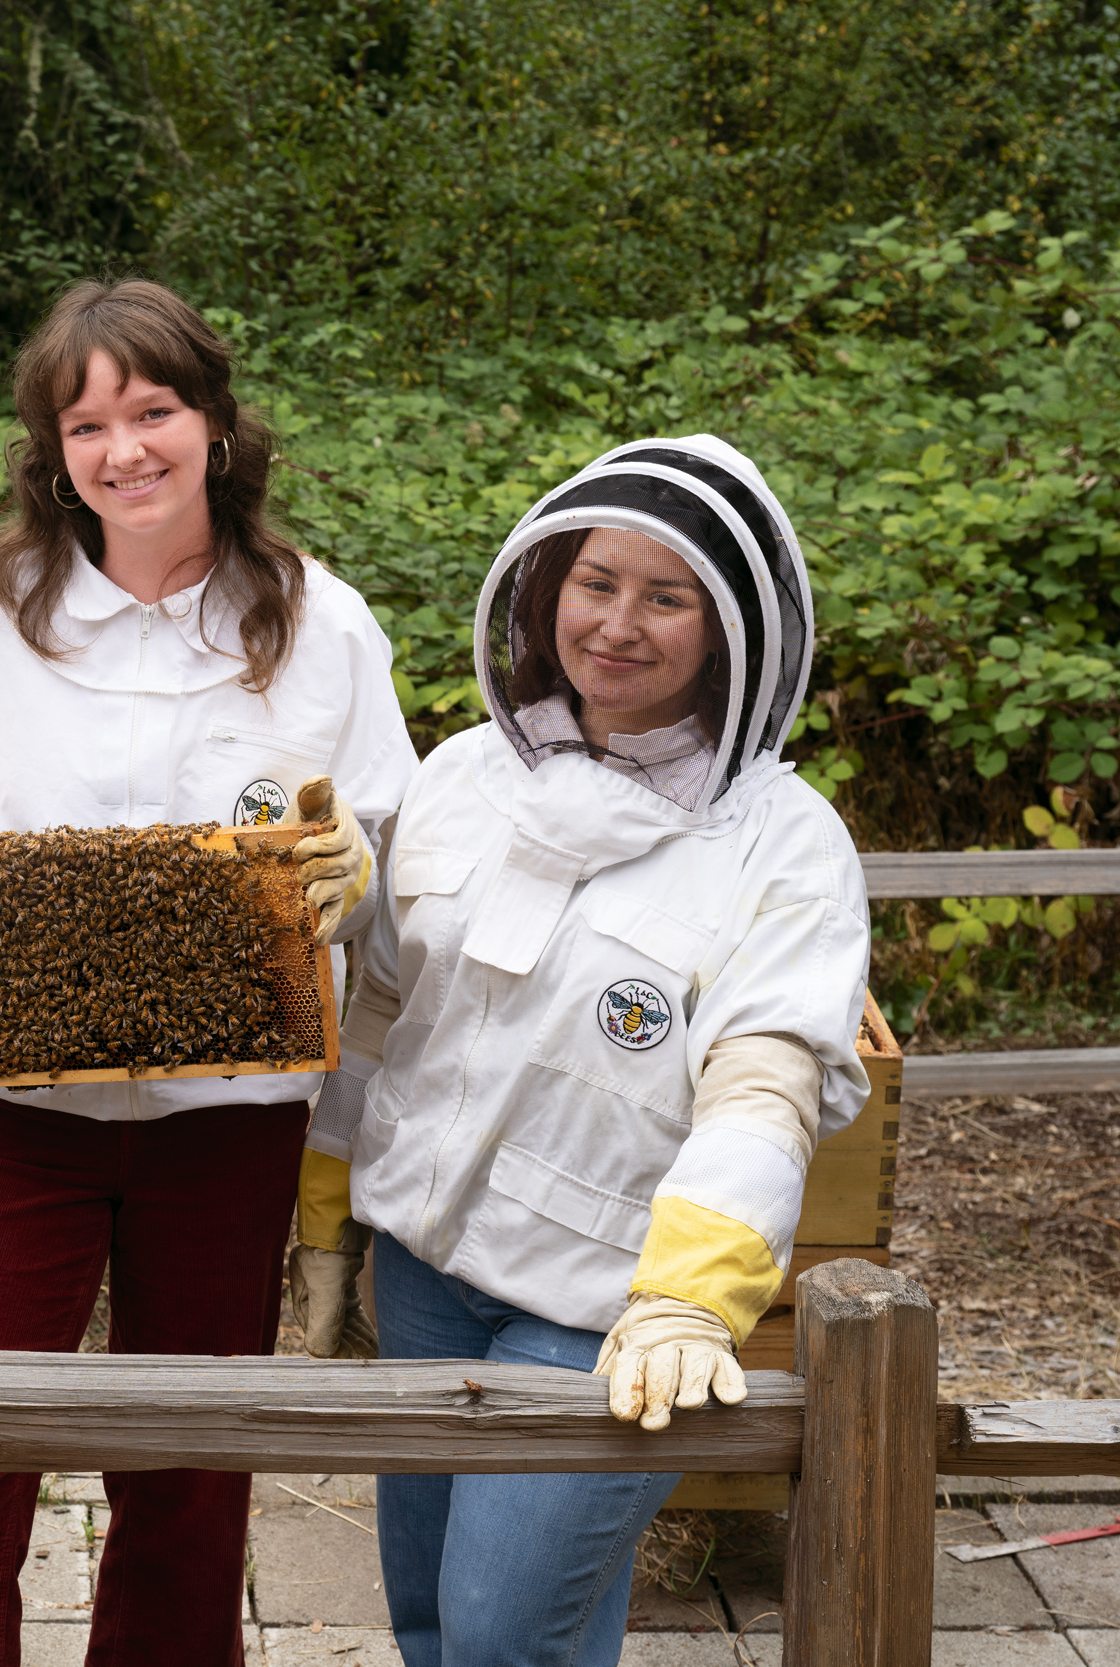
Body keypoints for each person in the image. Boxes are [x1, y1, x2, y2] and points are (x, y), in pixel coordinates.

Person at [0, 278, 418, 1666]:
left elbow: (390, 841)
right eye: (85, 421)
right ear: (53, 448)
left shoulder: (320, 623)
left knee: (186, 1479)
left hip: (229, 1132)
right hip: (22, 1115)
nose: (123, 448)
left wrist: (357, 875)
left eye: (152, 410)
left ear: (216, 424)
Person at [292, 435, 871, 1667]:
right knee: (432, 1620)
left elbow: (761, 1090)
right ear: (545, 581)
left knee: (505, 1635)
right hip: (425, 1274)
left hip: (605, 1309)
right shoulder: (461, 776)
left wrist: (688, 1297)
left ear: (731, 630)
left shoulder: (784, 842)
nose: (617, 623)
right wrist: (325, 1211)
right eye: (597, 581)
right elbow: (388, 1012)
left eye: (667, 596)